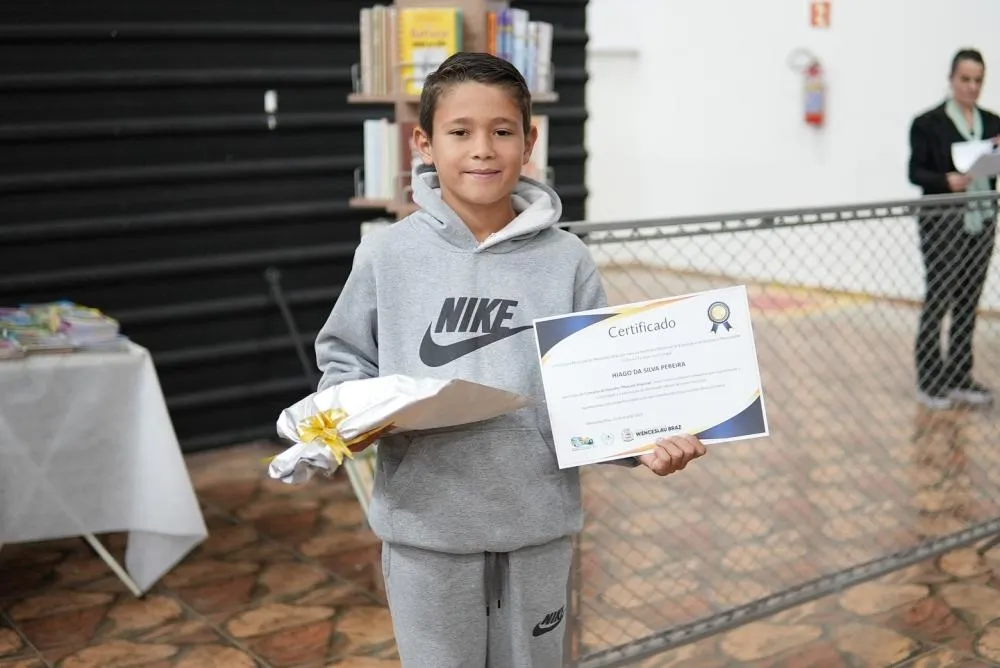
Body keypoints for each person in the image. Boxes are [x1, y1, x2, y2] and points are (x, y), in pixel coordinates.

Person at [314, 52, 707, 666]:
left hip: (537, 528)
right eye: (459, 131)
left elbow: (599, 389)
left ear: (529, 141)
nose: (482, 149)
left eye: (501, 131)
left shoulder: (567, 260)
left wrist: (643, 443)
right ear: (423, 142)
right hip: (426, 533)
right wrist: (349, 420)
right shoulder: (384, 257)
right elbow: (343, 361)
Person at [908, 48, 998, 410]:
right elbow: (916, 172)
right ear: (951, 79)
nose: (972, 86)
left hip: (982, 221)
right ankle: (930, 379)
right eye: (965, 79)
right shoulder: (927, 123)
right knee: (940, 297)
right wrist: (946, 181)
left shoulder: (992, 122)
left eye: (978, 80)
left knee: (968, 299)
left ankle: (959, 375)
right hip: (943, 224)